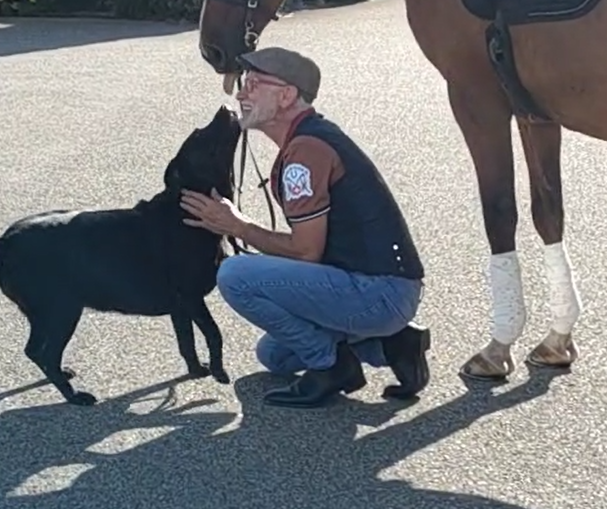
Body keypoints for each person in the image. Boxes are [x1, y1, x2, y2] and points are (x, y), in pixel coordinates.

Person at [179, 46, 431, 408]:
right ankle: (391, 343)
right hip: (381, 288)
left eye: (253, 84)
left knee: (235, 275)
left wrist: (238, 226)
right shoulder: (309, 139)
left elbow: (306, 251)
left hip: (379, 292)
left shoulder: (306, 152)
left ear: (286, 95)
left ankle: (331, 367)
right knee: (275, 356)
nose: (241, 93)